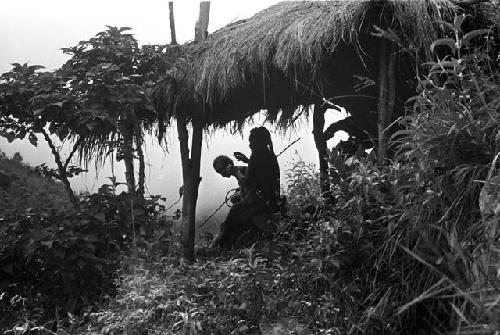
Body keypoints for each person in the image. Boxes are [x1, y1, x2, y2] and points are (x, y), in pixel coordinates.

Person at [211, 127, 280, 249]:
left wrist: (236, 172)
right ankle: (223, 246)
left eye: (251, 142)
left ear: (258, 142)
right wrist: (247, 161)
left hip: (263, 203)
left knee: (233, 214)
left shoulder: (256, 156)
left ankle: (215, 247)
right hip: (272, 198)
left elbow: (248, 183)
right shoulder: (269, 155)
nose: (249, 145)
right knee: (236, 212)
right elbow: (259, 172)